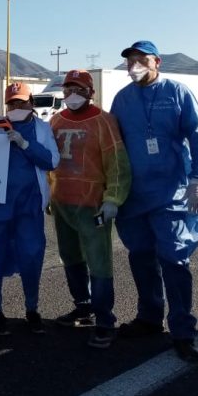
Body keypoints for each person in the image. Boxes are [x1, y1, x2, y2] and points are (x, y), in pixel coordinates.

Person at [110, 41, 198, 362]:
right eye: (130, 62)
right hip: (134, 196)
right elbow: (111, 146)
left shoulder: (177, 93)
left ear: (157, 62)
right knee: (140, 257)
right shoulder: (123, 99)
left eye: (141, 60)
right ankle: (149, 318)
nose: (135, 66)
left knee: (174, 259)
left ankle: (183, 330)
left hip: (171, 193)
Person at [49, 70, 132, 348]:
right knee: (70, 256)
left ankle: (105, 319)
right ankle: (83, 306)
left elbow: (117, 164)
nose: (72, 94)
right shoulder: (56, 121)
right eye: (68, 89)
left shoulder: (104, 121)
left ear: (90, 92)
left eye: (79, 89)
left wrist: (113, 198)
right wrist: (49, 194)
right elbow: (48, 163)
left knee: (99, 261)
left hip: (92, 205)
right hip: (63, 202)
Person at [0, 82, 60, 335]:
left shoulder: (42, 129)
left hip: (29, 204)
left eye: (22, 102)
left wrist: (25, 144)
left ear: (31, 103)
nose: (17, 107)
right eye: (12, 103)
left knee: (32, 255)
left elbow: (51, 161)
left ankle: (32, 309)